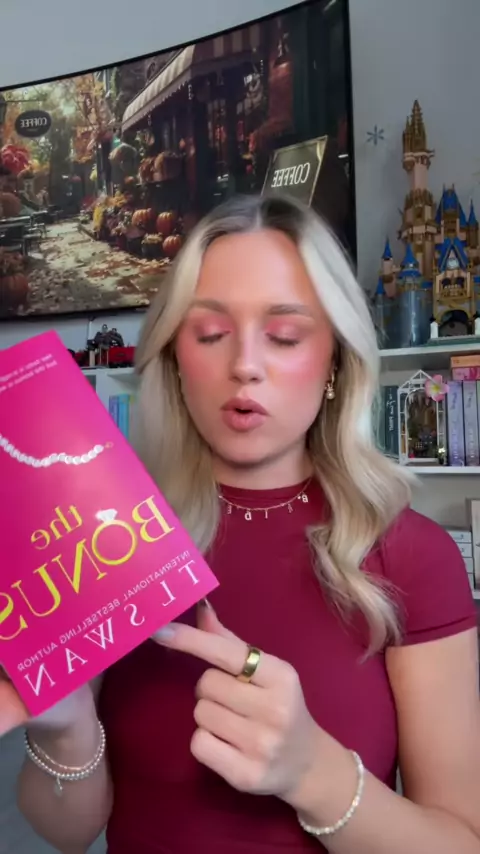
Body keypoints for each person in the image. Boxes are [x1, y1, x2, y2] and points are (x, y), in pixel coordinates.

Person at [3, 193, 480, 853]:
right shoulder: (113, 543)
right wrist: (66, 729)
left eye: (284, 336)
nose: (245, 366)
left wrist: (313, 773)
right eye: (209, 333)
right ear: (175, 358)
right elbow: (69, 831)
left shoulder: (412, 556)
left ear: (337, 361)